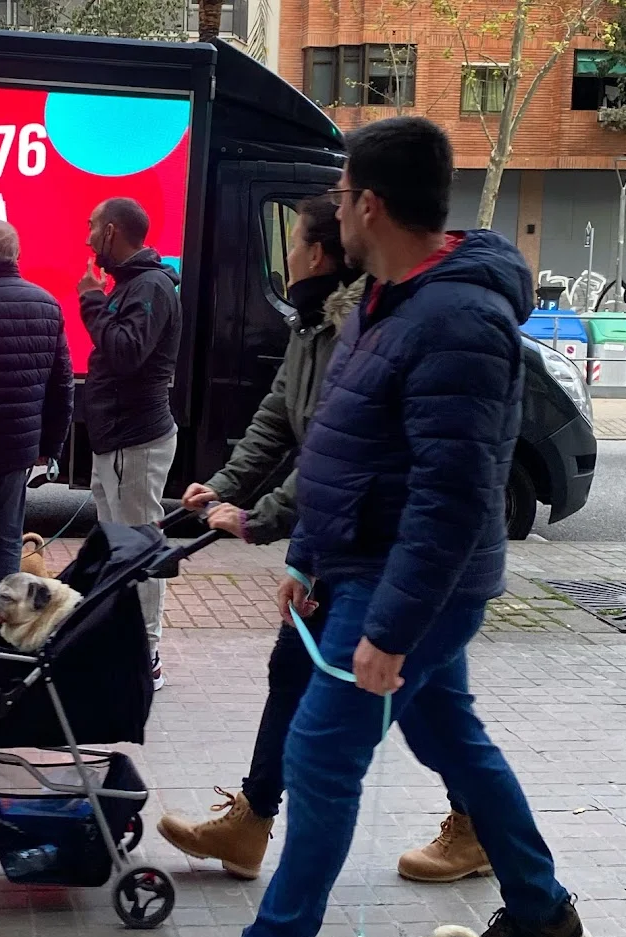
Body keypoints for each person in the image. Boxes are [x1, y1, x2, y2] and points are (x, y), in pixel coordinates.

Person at [160, 117, 593, 937]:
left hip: (409, 585)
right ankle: (543, 911)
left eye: (343, 192)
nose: (336, 210)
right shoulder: (386, 299)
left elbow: (453, 497)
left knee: (321, 753)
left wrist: (390, 630)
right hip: (363, 568)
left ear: (372, 204)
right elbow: (343, 447)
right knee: (454, 740)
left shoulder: (459, 318)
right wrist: (306, 554)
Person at [156, 196, 365, 877]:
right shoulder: (311, 326)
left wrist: (259, 517)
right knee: (297, 669)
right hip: (332, 539)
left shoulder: (357, 332)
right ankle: (252, 821)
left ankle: (491, 837)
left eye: (295, 242)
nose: (288, 255)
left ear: (319, 254)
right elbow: (276, 420)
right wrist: (222, 487)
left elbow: (333, 449)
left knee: (425, 714)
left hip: (375, 548)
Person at [78, 197, 182, 689]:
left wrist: (92, 301)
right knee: (117, 547)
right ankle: (121, 643)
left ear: (111, 231)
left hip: (134, 440)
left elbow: (126, 353)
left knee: (139, 547)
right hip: (116, 440)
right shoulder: (132, 284)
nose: (87, 237)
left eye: (92, 227)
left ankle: (146, 656)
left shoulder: (150, 286)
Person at [0, 219, 74, 593]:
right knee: (6, 539)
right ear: (17, 254)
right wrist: (50, 446)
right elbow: (62, 385)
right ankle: (0, 618)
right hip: (18, 445)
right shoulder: (47, 304)